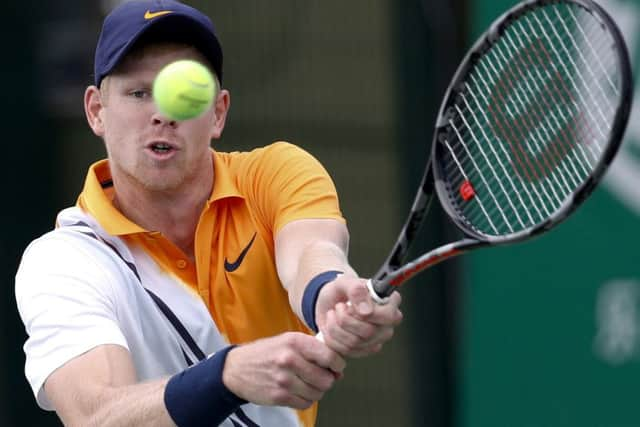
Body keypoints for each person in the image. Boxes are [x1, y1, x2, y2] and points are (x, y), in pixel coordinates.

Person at [15, 1, 402, 426]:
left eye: (185, 92)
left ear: (218, 113)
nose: (162, 114)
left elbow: (312, 251)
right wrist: (226, 377)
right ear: (96, 111)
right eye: (139, 93)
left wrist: (327, 293)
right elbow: (96, 416)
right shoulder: (64, 261)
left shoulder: (275, 174)